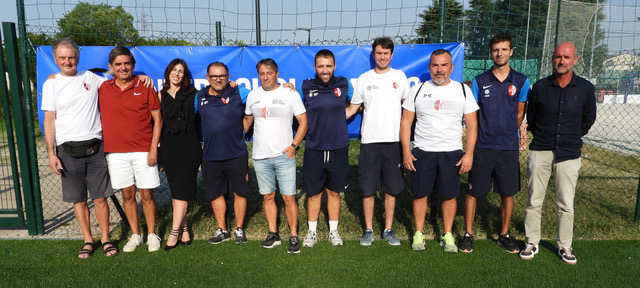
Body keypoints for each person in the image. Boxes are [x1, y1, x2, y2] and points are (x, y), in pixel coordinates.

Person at [519, 41, 596, 264]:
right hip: (540, 150)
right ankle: (532, 241)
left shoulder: (585, 88)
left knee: (565, 203)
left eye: (566, 57)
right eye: (558, 57)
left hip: (569, 153)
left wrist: (572, 136)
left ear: (575, 59)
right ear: (552, 59)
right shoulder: (540, 87)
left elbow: (588, 119)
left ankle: (565, 245)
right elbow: (531, 118)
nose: (561, 61)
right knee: (534, 200)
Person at [41, 38, 119, 258]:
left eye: (72, 57)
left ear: (78, 57)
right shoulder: (51, 84)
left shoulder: (91, 78)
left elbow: (118, 76)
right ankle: (88, 240)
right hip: (67, 152)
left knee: (100, 198)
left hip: (96, 147)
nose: (68, 61)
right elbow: (49, 120)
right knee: (78, 199)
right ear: (55, 60)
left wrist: (140, 76)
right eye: (63, 58)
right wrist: (51, 153)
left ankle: (106, 239)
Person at [400, 49, 479, 253]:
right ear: (429, 67)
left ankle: (447, 234)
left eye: (444, 65)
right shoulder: (417, 89)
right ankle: (419, 233)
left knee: (449, 195)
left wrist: (469, 154)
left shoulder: (462, 90)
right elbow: (406, 123)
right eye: (435, 65)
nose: (439, 70)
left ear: (451, 67)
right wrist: (406, 153)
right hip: (422, 151)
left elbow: (472, 125)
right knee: (419, 194)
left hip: (451, 152)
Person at [459, 33, 530, 254]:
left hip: (507, 147)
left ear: (511, 52)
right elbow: (472, 115)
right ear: (491, 53)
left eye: (503, 49)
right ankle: (468, 234)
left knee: (507, 193)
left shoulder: (521, 81)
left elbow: (520, 113)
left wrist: (508, 131)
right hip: (482, 146)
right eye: (495, 50)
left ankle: (504, 234)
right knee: (473, 192)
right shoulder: (480, 81)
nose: (499, 53)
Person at [98, 46, 163, 253]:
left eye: (127, 63)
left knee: (147, 194)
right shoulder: (103, 88)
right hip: (116, 153)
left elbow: (158, 120)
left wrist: (153, 149)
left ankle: (152, 234)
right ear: (111, 67)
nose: (123, 67)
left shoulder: (145, 86)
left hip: (144, 151)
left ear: (133, 65)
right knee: (127, 194)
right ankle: (136, 235)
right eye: (118, 64)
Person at [346, 36, 409, 246]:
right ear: (373, 55)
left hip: (393, 142)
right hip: (369, 143)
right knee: (368, 189)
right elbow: (353, 108)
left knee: (391, 189)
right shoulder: (364, 78)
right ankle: (369, 230)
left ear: (392, 55)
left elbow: (409, 108)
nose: (382, 57)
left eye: (386, 53)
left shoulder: (400, 77)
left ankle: (388, 230)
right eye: (379, 53)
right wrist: (327, 118)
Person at [244, 58, 308, 254]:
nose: (265, 77)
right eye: (262, 74)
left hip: (284, 156)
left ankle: (293, 235)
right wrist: (237, 140)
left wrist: (294, 146)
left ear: (277, 74)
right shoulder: (253, 95)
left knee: (289, 197)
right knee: (268, 196)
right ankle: (273, 234)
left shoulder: (290, 93)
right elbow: (247, 119)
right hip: (260, 156)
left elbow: (303, 122)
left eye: (269, 73)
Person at [298, 49, 352, 247]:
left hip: (338, 146)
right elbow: (293, 103)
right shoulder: (305, 86)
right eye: (321, 66)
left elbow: (358, 101)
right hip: (314, 147)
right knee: (313, 193)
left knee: (334, 192)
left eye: (328, 66)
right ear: (315, 67)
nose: (325, 70)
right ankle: (311, 233)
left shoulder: (344, 84)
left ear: (334, 66)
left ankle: (333, 231)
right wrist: (285, 87)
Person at [197, 62, 251, 245]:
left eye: (222, 76)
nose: (218, 79)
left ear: (228, 77)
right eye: (214, 76)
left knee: (240, 192)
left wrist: (241, 131)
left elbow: (258, 103)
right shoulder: (199, 97)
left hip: (236, 153)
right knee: (216, 193)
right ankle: (222, 229)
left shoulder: (239, 92)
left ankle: (239, 229)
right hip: (211, 155)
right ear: (207, 78)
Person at [158, 59, 202, 250]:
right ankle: (185, 229)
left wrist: (232, 84)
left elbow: (219, 92)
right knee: (176, 191)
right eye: (174, 70)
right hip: (168, 147)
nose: (177, 73)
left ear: (185, 76)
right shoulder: (159, 94)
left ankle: (174, 232)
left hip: (189, 146)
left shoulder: (193, 94)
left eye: (181, 71)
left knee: (182, 191)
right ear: (168, 73)